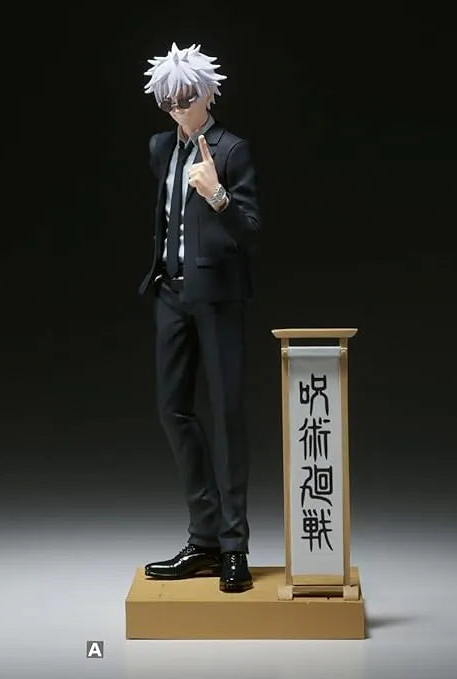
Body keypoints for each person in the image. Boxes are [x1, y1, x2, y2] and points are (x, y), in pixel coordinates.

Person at [138, 42, 260, 593]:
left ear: (208, 95)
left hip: (218, 297)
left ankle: (233, 546)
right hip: (171, 292)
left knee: (227, 414)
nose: (177, 110)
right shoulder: (161, 147)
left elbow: (250, 231)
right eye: (167, 102)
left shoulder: (232, 150)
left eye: (185, 100)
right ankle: (205, 537)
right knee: (173, 409)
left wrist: (218, 197)